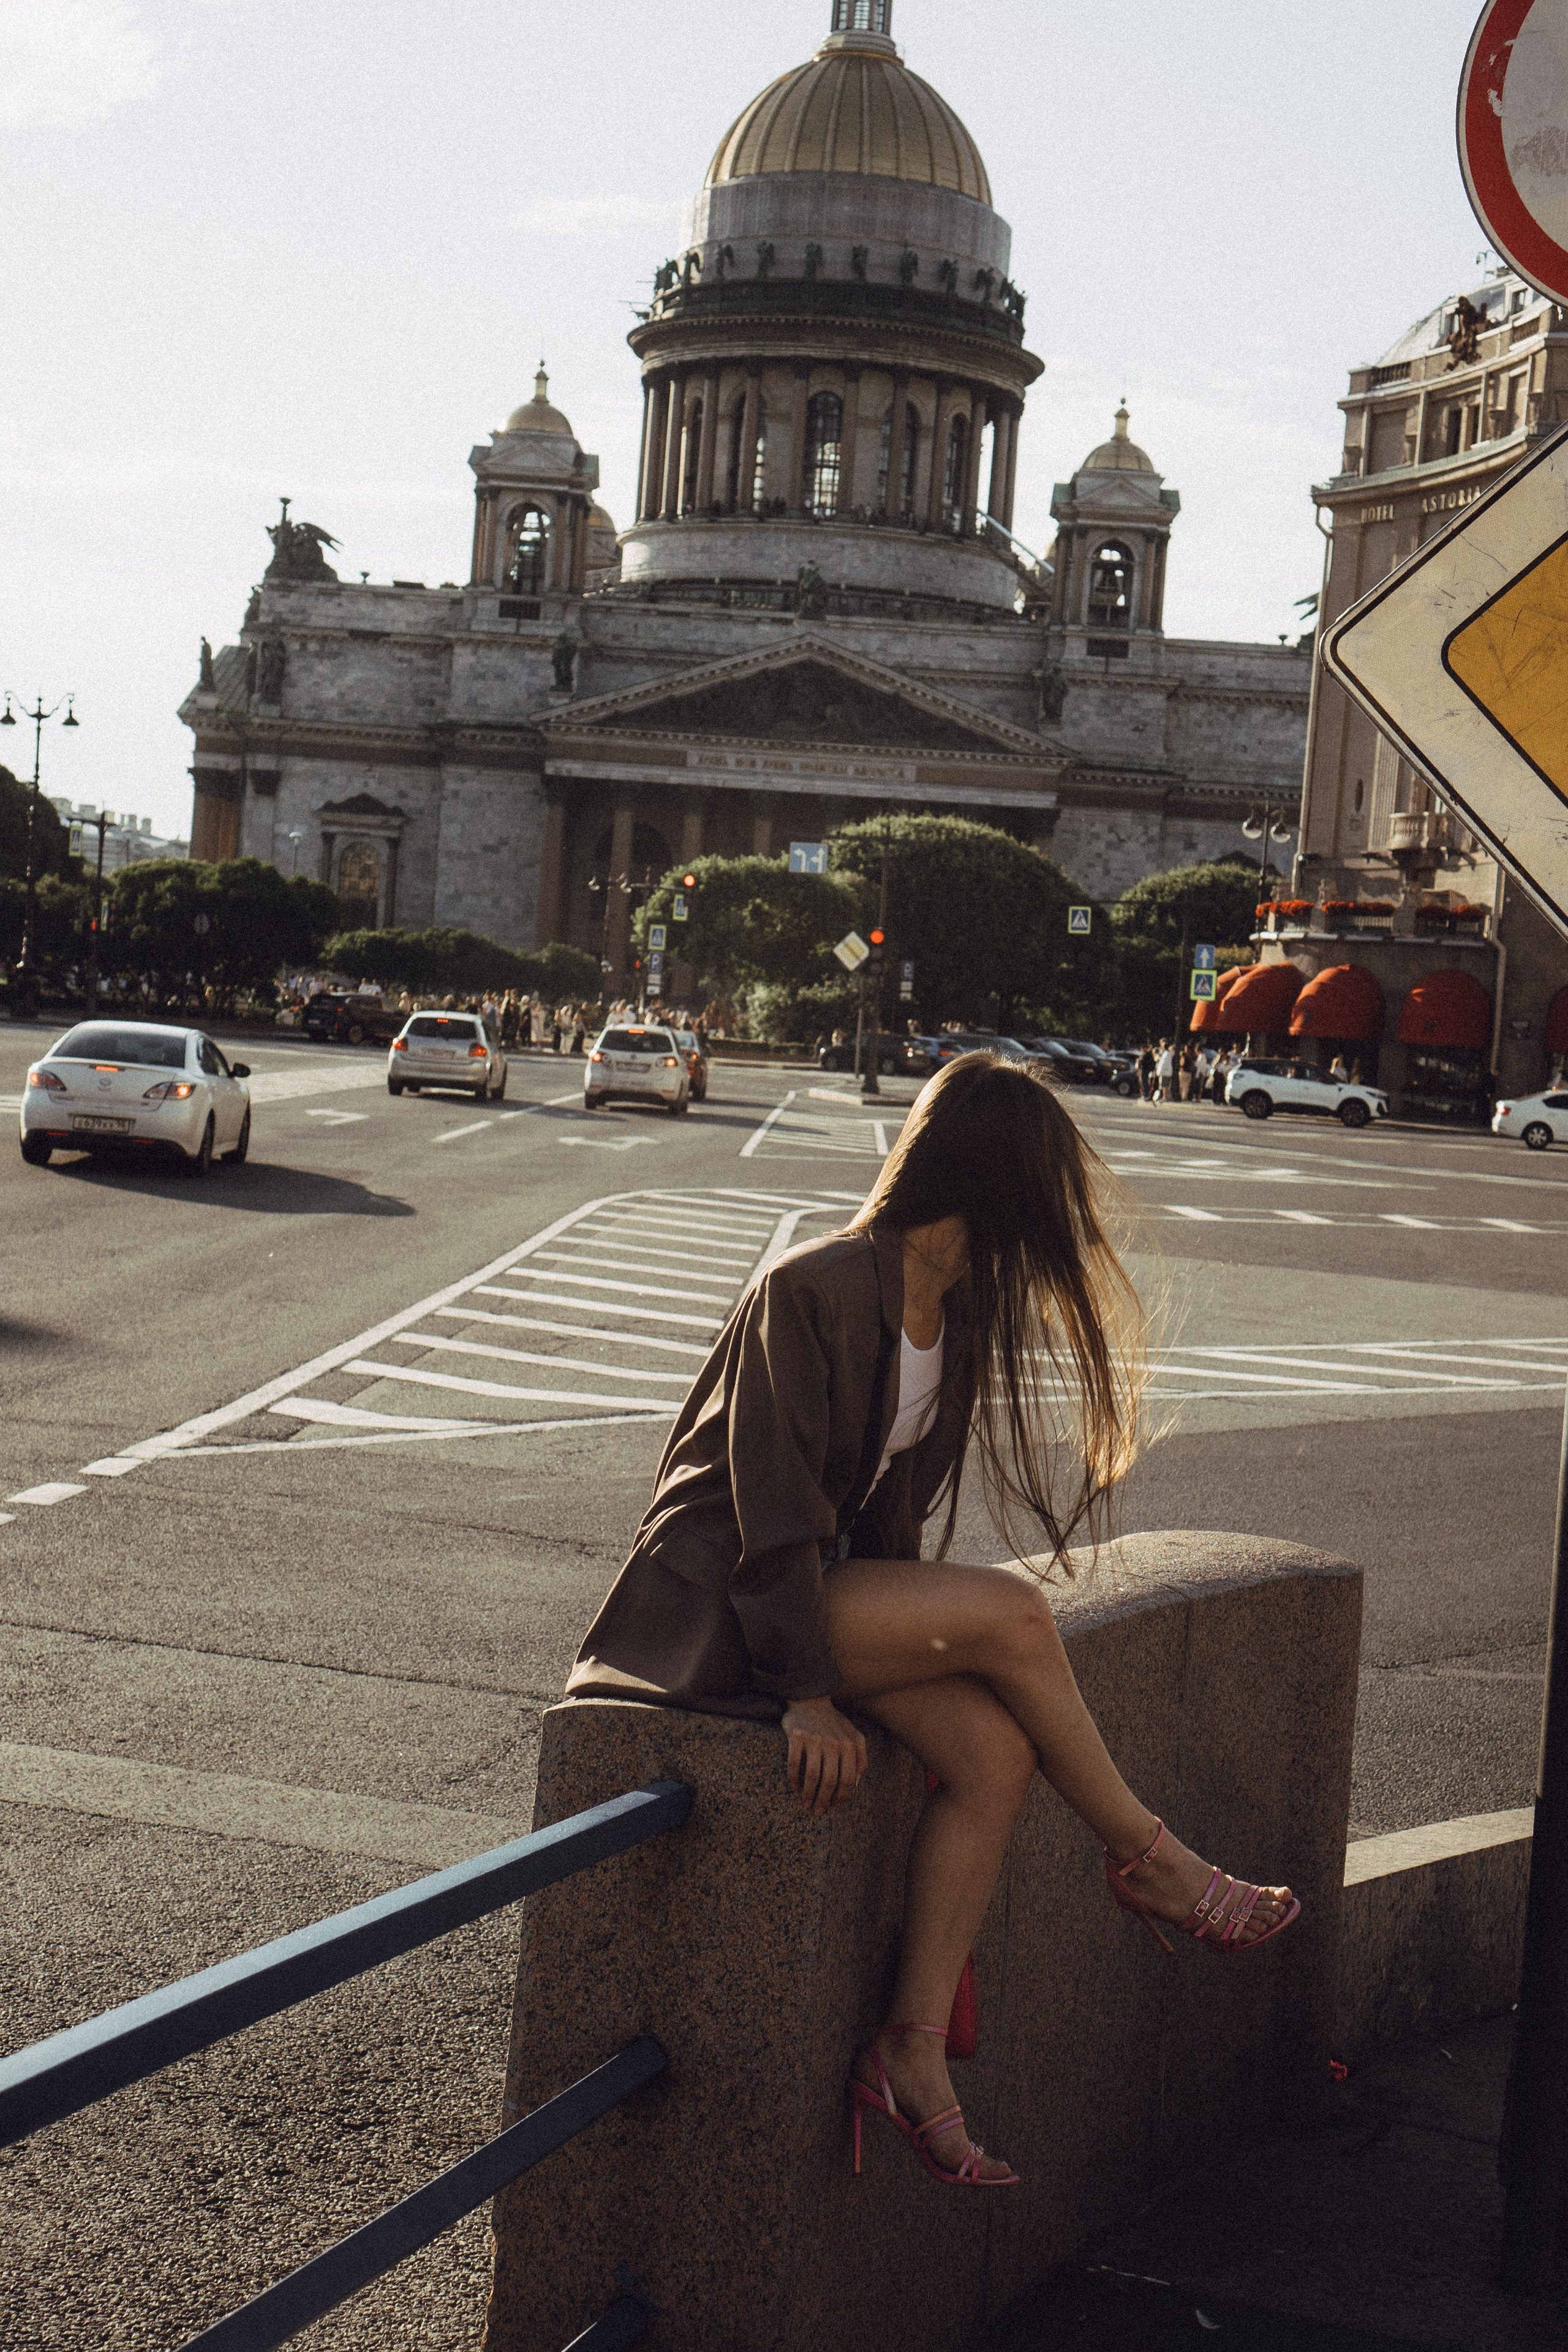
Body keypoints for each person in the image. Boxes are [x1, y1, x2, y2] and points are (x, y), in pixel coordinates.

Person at [568, 1054, 1300, 2190]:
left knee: (994, 1753)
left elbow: (887, 1523)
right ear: (1001, 1177)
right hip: (718, 1611)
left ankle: (908, 2053)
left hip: (814, 1598)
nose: (1067, 1214)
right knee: (1014, 1614)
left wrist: (883, 1662)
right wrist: (811, 1689)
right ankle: (1153, 1861)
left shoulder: (948, 1316)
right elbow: (767, 1509)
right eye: (1053, 1182)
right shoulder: (810, 1288)